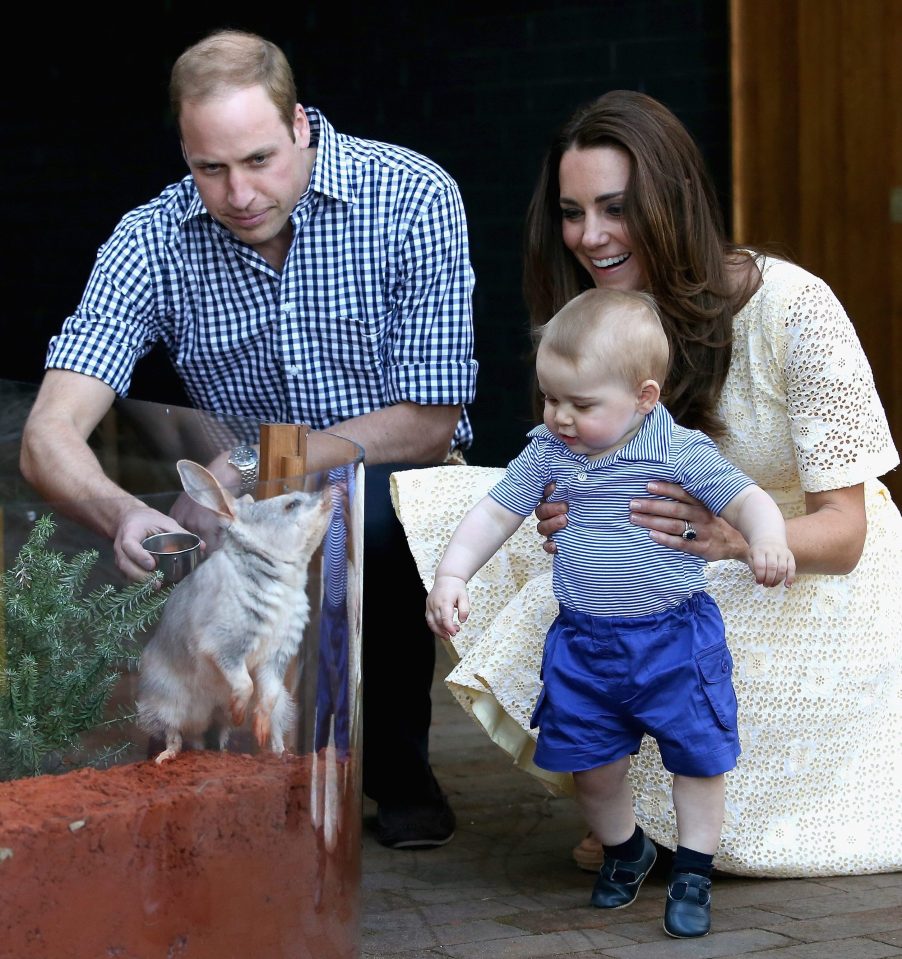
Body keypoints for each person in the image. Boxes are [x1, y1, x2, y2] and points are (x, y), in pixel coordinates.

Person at [389, 88, 902, 891]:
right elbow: (569, 464)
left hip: (802, 573)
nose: (589, 235)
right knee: (476, 521)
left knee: (663, 613)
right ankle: (621, 811)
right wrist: (561, 508)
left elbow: (847, 533)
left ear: (673, 201)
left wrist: (732, 538)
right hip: (669, 547)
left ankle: (670, 824)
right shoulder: (592, 318)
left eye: (614, 208)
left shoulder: (796, 309)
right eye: (571, 210)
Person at [19, 28, 478, 850]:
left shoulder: (412, 194)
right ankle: (224, 777)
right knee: (193, 550)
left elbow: (430, 417)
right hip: (248, 494)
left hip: (397, 471)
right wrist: (120, 511)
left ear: (301, 124)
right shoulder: (152, 238)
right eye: (211, 168)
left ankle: (392, 770)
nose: (238, 193)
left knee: (359, 524)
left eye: (261, 159)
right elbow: (48, 435)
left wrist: (264, 458)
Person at [425, 287, 794, 937]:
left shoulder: (677, 449)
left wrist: (766, 538)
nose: (560, 416)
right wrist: (453, 572)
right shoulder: (550, 451)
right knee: (590, 765)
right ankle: (627, 848)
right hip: (585, 642)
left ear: (643, 397)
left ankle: (694, 870)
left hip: (674, 636)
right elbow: (494, 512)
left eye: (582, 403)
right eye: (550, 397)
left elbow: (748, 499)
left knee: (697, 757)